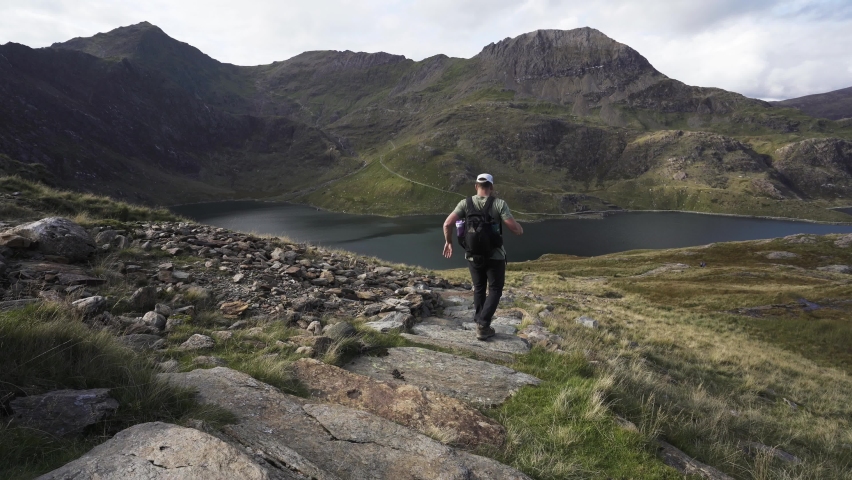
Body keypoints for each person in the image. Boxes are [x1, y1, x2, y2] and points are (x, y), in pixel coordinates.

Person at [442, 173, 523, 340]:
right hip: (495, 256)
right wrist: (520, 229)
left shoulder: (465, 203)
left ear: (476, 187)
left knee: (479, 288)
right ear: (491, 187)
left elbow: (447, 223)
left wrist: (448, 242)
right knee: (495, 289)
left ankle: (480, 322)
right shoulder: (499, 204)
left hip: (473, 256)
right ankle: (483, 324)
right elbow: (514, 229)